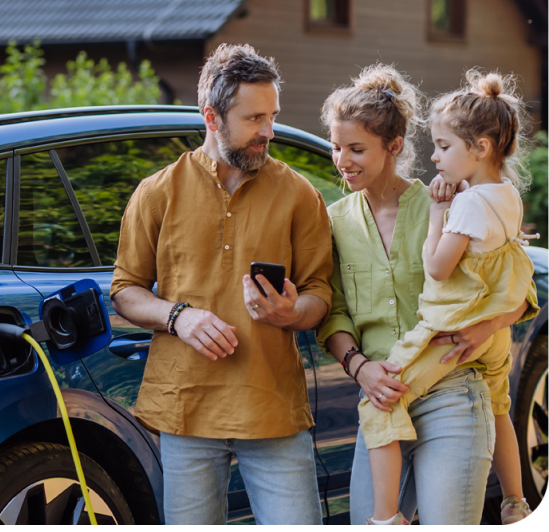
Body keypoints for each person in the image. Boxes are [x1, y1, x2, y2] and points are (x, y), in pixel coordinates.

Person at [111, 43, 333, 525]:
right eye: (254, 119)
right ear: (212, 117)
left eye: (272, 116)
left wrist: (293, 313)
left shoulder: (300, 195)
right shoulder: (157, 193)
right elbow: (125, 290)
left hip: (272, 408)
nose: (268, 131)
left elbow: (320, 294)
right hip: (185, 410)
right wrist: (178, 317)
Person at [316, 64, 538, 526]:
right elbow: (332, 312)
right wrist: (361, 369)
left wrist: (487, 327)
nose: (342, 160)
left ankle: (515, 500)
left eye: (356, 149)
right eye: (338, 147)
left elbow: (513, 286)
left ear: (393, 146)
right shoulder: (333, 221)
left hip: (454, 391)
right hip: (382, 395)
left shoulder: (452, 200)